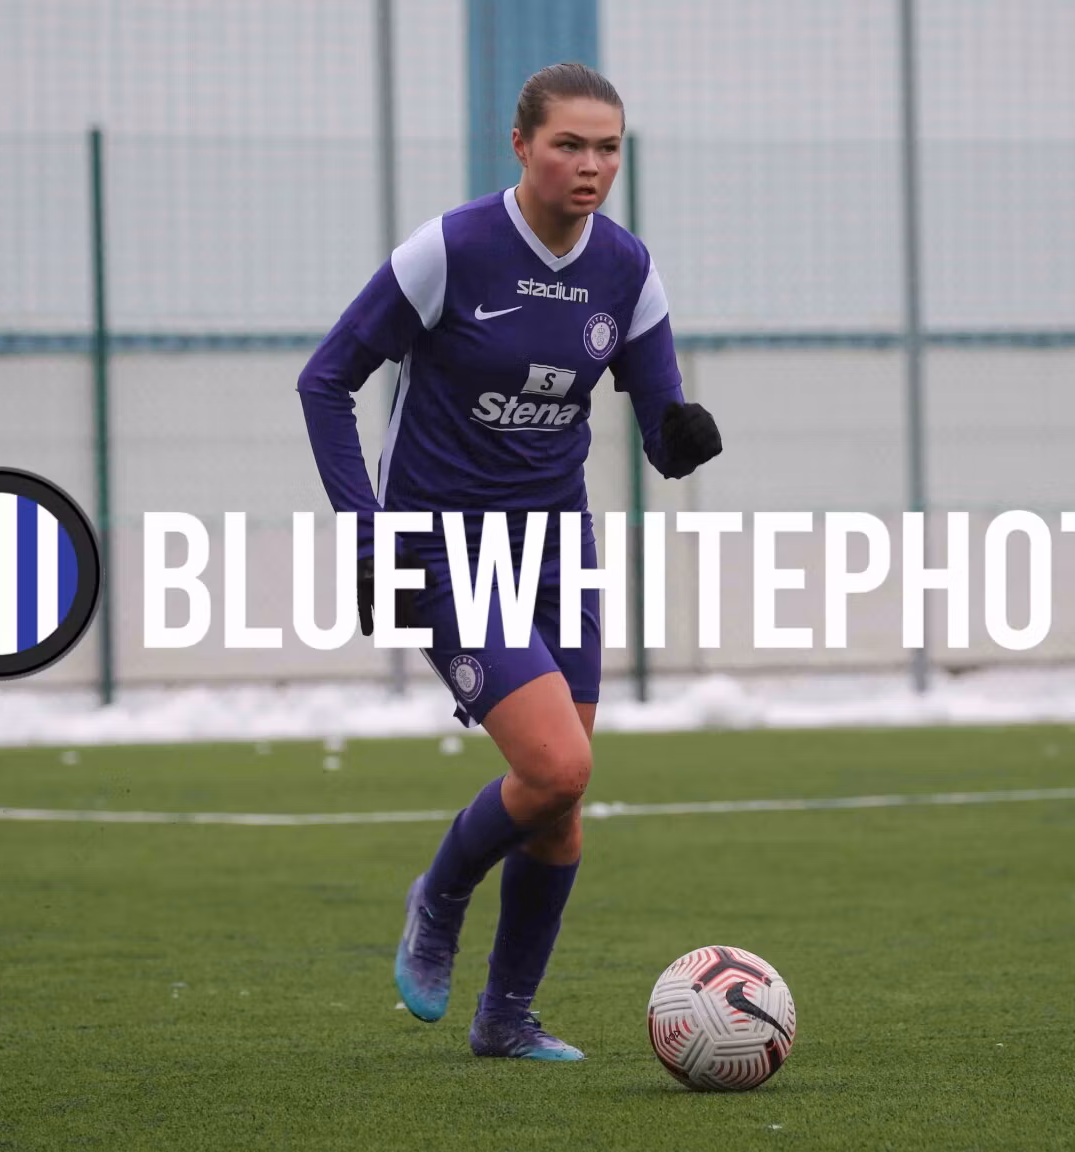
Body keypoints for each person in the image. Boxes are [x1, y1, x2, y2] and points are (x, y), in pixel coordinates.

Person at [295, 62, 721, 1061]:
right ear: (522, 145)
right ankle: (440, 896)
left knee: (559, 804)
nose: (590, 165)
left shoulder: (625, 269)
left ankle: (505, 1018)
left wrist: (681, 440)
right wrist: (367, 531)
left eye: (607, 148)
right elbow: (325, 381)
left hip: (557, 547)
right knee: (557, 764)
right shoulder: (452, 250)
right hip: (443, 547)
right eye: (568, 145)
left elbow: (659, 423)